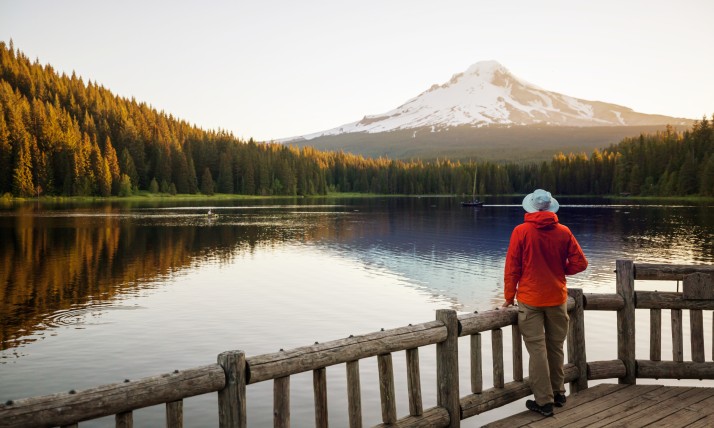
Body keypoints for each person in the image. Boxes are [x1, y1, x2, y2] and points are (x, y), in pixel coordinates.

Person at [501, 189, 588, 417]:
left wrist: (509, 298)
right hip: (557, 298)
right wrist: (560, 271)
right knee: (555, 347)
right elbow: (580, 263)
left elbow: (512, 269)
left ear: (530, 207)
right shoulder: (564, 231)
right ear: (550, 208)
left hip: (530, 300)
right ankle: (559, 393)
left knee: (538, 351)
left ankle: (544, 402)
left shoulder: (521, 232)